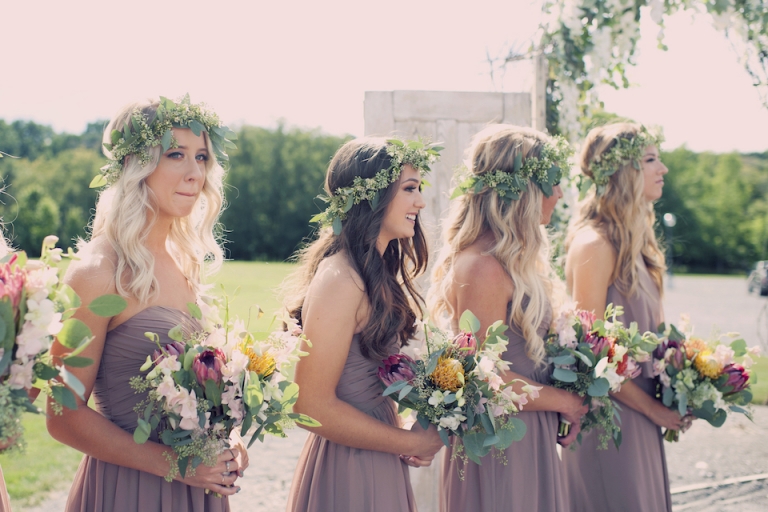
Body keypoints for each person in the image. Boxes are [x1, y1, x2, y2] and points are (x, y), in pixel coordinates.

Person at [46, 96, 247, 512]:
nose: (195, 173)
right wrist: (176, 465)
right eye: (176, 154)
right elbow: (62, 414)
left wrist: (229, 440)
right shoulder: (99, 272)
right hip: (128, 491)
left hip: (197, 492)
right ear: (135, 164)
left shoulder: (185, 263)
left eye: (202, 157)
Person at [429, 125, 587, 512]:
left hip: (529, 428)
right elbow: (486, 379)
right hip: (499, 443)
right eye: (553, 181)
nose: (560, 193)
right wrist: (566, 401)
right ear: (524, 190)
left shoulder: (512, 262)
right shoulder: (482, 268)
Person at [284, 137, 445, 512]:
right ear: (372, 196)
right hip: (349, 467)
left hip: (375, 451)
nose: (420, 202)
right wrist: (412, 443)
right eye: (409, 189)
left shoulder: (373, 273)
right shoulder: (342, 279)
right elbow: (309, 405)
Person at [562, 122, 683, 512]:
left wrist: (684, 378)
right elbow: (589, 354)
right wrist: (653, 410)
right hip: (609, 423)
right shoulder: (595, 245)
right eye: (650, 160)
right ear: (623, 172)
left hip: (641, 417)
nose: (662, 169)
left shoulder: (639, 248)